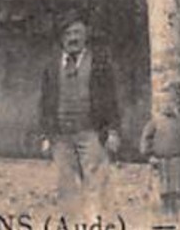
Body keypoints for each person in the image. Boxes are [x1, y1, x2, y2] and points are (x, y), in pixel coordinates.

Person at [37, 15, 121, 213]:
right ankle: (71, 229)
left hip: (91, 132)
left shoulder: (99, 64)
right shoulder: (52, 66)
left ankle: (96, 227)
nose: (73, 38)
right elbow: (45, 102)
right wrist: (45, 135)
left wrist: (113, 131)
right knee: (66, 184)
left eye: (77, 33)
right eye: (68, 34)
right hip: (61, 135)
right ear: (61, 38)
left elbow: (111, 99)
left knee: (96, 182)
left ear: (86, 36)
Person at [138, 98, 180, 218]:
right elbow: (145, 139)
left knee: (176, 187)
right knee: (164, 186)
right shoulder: (154, 123)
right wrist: (149, 156)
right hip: (161, 160)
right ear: (160, 107)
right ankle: (165, 210)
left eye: (171, 104)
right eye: (165, 104)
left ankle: (176, 211)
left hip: (177, 159)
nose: (168, 107)